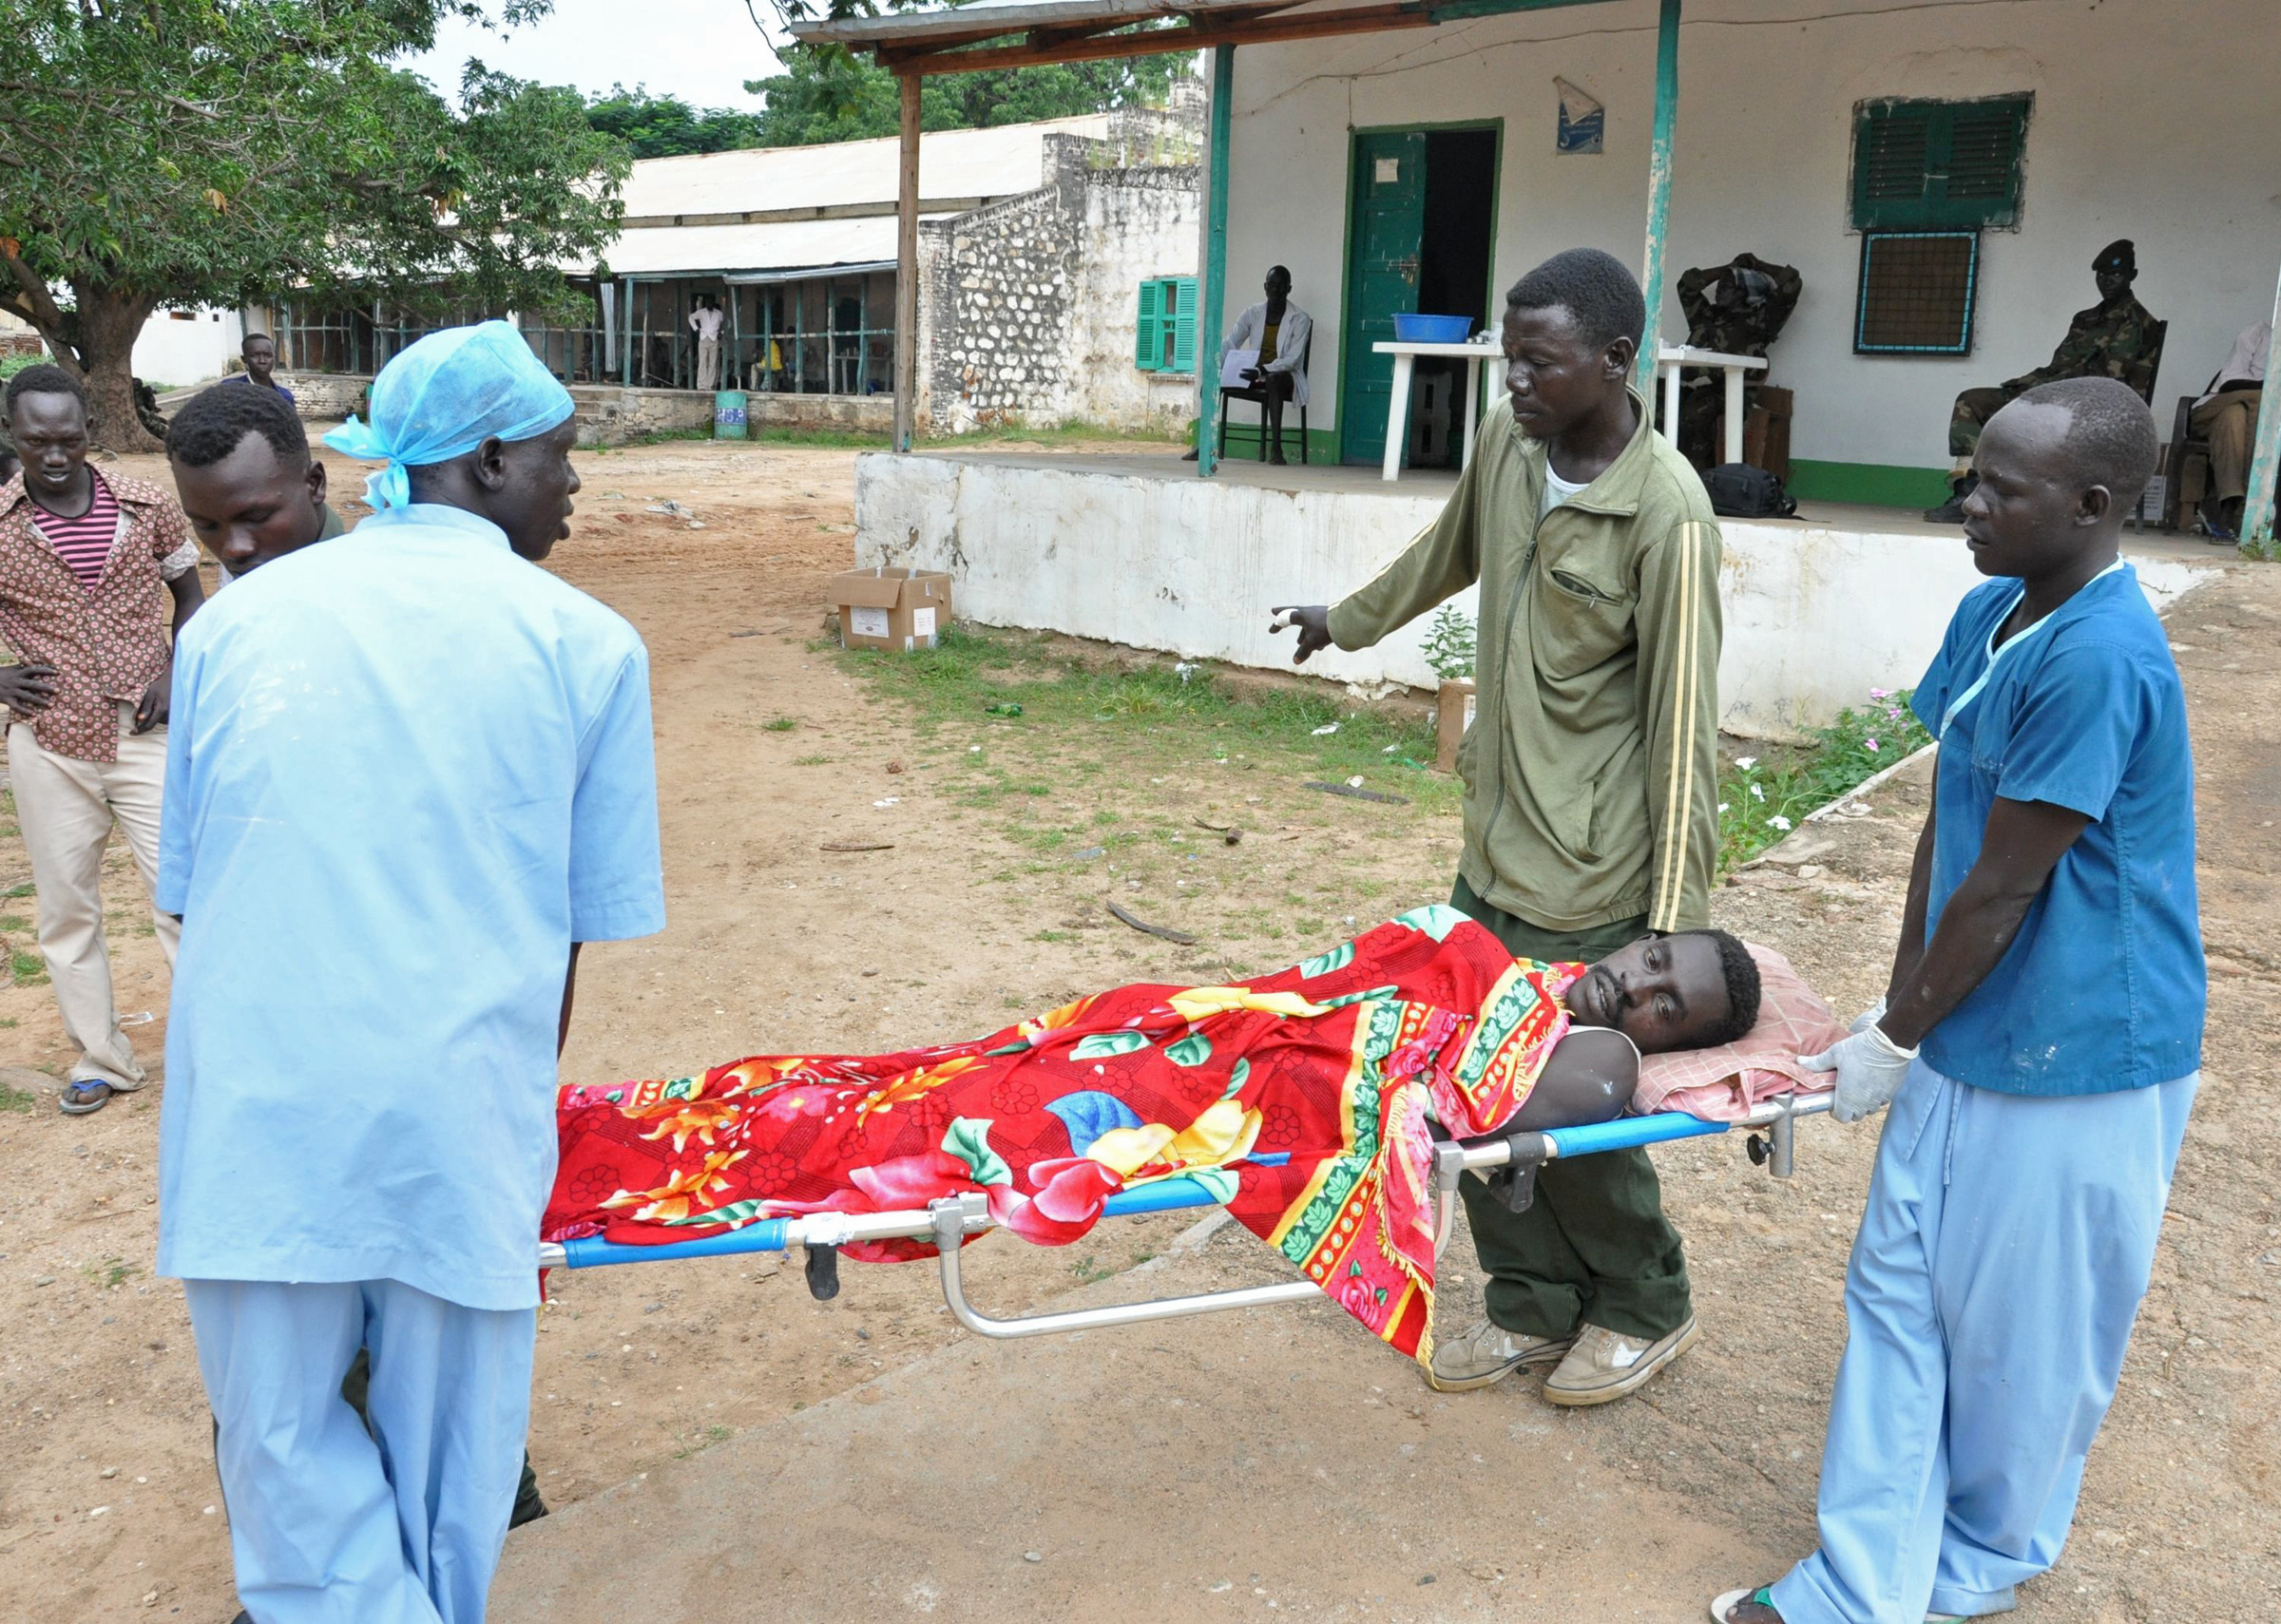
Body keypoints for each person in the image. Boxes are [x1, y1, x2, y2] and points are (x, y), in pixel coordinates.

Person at [158, 320, 665, 1623]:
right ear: (490, 457)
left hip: (254, 1117)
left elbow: (192, 892)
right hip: (450, 1116)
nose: (573, 481)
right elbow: (562, 944)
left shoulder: (232, 629)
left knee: (279, 1453)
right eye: (559, 452)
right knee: (451, 1479)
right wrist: (498, 1129)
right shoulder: (587, 645)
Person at [1714, 378, 2202, 1624]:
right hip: (1965, 1018)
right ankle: (1862, 1582)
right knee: (1895, 1289)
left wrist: (1906, 1032)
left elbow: (2008, 885)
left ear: (2094, 507)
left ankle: (1980, 1560)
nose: (1968, 503)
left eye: (2001, 488)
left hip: (2086, 1048)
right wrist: (1891, 1019)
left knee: (2023, 1340)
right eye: (1970, 475)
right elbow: (1950, 817)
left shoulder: (2102, 659)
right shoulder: (1995, 612)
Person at [549, 909, 1763, 1364]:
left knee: (959, 1121)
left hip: (1238, 1089)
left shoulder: (1598, 1055)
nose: (1638, 991)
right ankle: (659, 1137)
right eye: (1653, 958)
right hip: (1217, 1034)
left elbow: (1530, 1097)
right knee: (960, 1079)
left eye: (1672, 1007)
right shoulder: (1540, 975)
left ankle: (638, 1157)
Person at [1270, 247, 1724, 1405]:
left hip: (1597, 878)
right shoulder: (1512, 446)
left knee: (1572, 1105)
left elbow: (1683, 729)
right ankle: (1530, 1305)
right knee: (1462, 1086)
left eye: (1538, 360)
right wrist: (1351, 620)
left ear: (1617, 362)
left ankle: (1640, 1301)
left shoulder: (1665, 515)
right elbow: (1449, 547)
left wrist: (1671, 929)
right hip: (1498, 849)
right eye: (1506, 355)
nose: (1512, 379)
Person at [0, 363, 203, 1114]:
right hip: (50, 739)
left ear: (88, 429)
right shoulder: (0, 522)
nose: (54, 455)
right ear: (12, 437)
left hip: (148, 731)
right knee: (67, 910)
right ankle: (102, 1056)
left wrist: (178, 670)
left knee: (184, 894)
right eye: (36, 441)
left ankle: (218, 1048)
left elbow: (190, 595)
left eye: (68, 437)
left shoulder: (145, 504)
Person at [1926, 239, 2158, 522]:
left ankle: (2005, 497)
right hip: (2055, 393)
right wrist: (2025, 385)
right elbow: (2059, 365)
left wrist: (2048, 390)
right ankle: (1969, 489)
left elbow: (2110, 380)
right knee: (1971, 401)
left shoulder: (2138, 322)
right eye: (2102, 275)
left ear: (2132, 276)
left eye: (2116, 275)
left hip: (2094, 406)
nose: (2107, 281)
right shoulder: (2085, 318)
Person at [164, 381, 342, 579]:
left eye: (256, 517)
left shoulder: (367, 595)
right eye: (207, 525)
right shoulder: (254, 585)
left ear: (314, 483)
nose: (234, 549)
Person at [1185, 266, 1313, 465]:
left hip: (1284, 376)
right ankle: (1205, 444)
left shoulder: (1300, 318)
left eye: (1281, 286)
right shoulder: (1253, 313)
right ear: (1265, 287)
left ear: (1289, 289)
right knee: (1212, 383)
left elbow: (1292, 359)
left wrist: (1262, 369)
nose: (1276, 291)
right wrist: (1214, 365)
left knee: (1273, 379)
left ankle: (1276, 448)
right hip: (1253, 373)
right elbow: (1231, 342)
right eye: (1272, 286)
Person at [2184, 317, 2269, 541]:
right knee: (2261, 400)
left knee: (2235, 417)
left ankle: (2226, 506)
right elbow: (2230, 382)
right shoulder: (2259, 332)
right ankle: (2246, 507)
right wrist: (2272, 385)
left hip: (2239, 418)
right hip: (2212, 409)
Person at [233, 334, 295, 407]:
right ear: (244, 359)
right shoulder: (230, 390)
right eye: (254, 355)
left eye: (268, 355)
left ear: (275, 358)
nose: (262, 361)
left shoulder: (285, 396)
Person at [689, 294, 725, 392]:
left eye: (711, 301)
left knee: (712, 363)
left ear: (714, 302)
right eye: (708, 301)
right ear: (706, 303)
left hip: (714, 339)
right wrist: (696, 329)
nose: (710, 303)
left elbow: (726, 323)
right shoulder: (701, 312)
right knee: (702, 362)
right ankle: (701, 385)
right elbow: (691, 318)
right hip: (703, 338)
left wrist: (721, 332)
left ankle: (710, 385)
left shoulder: (718, 313)